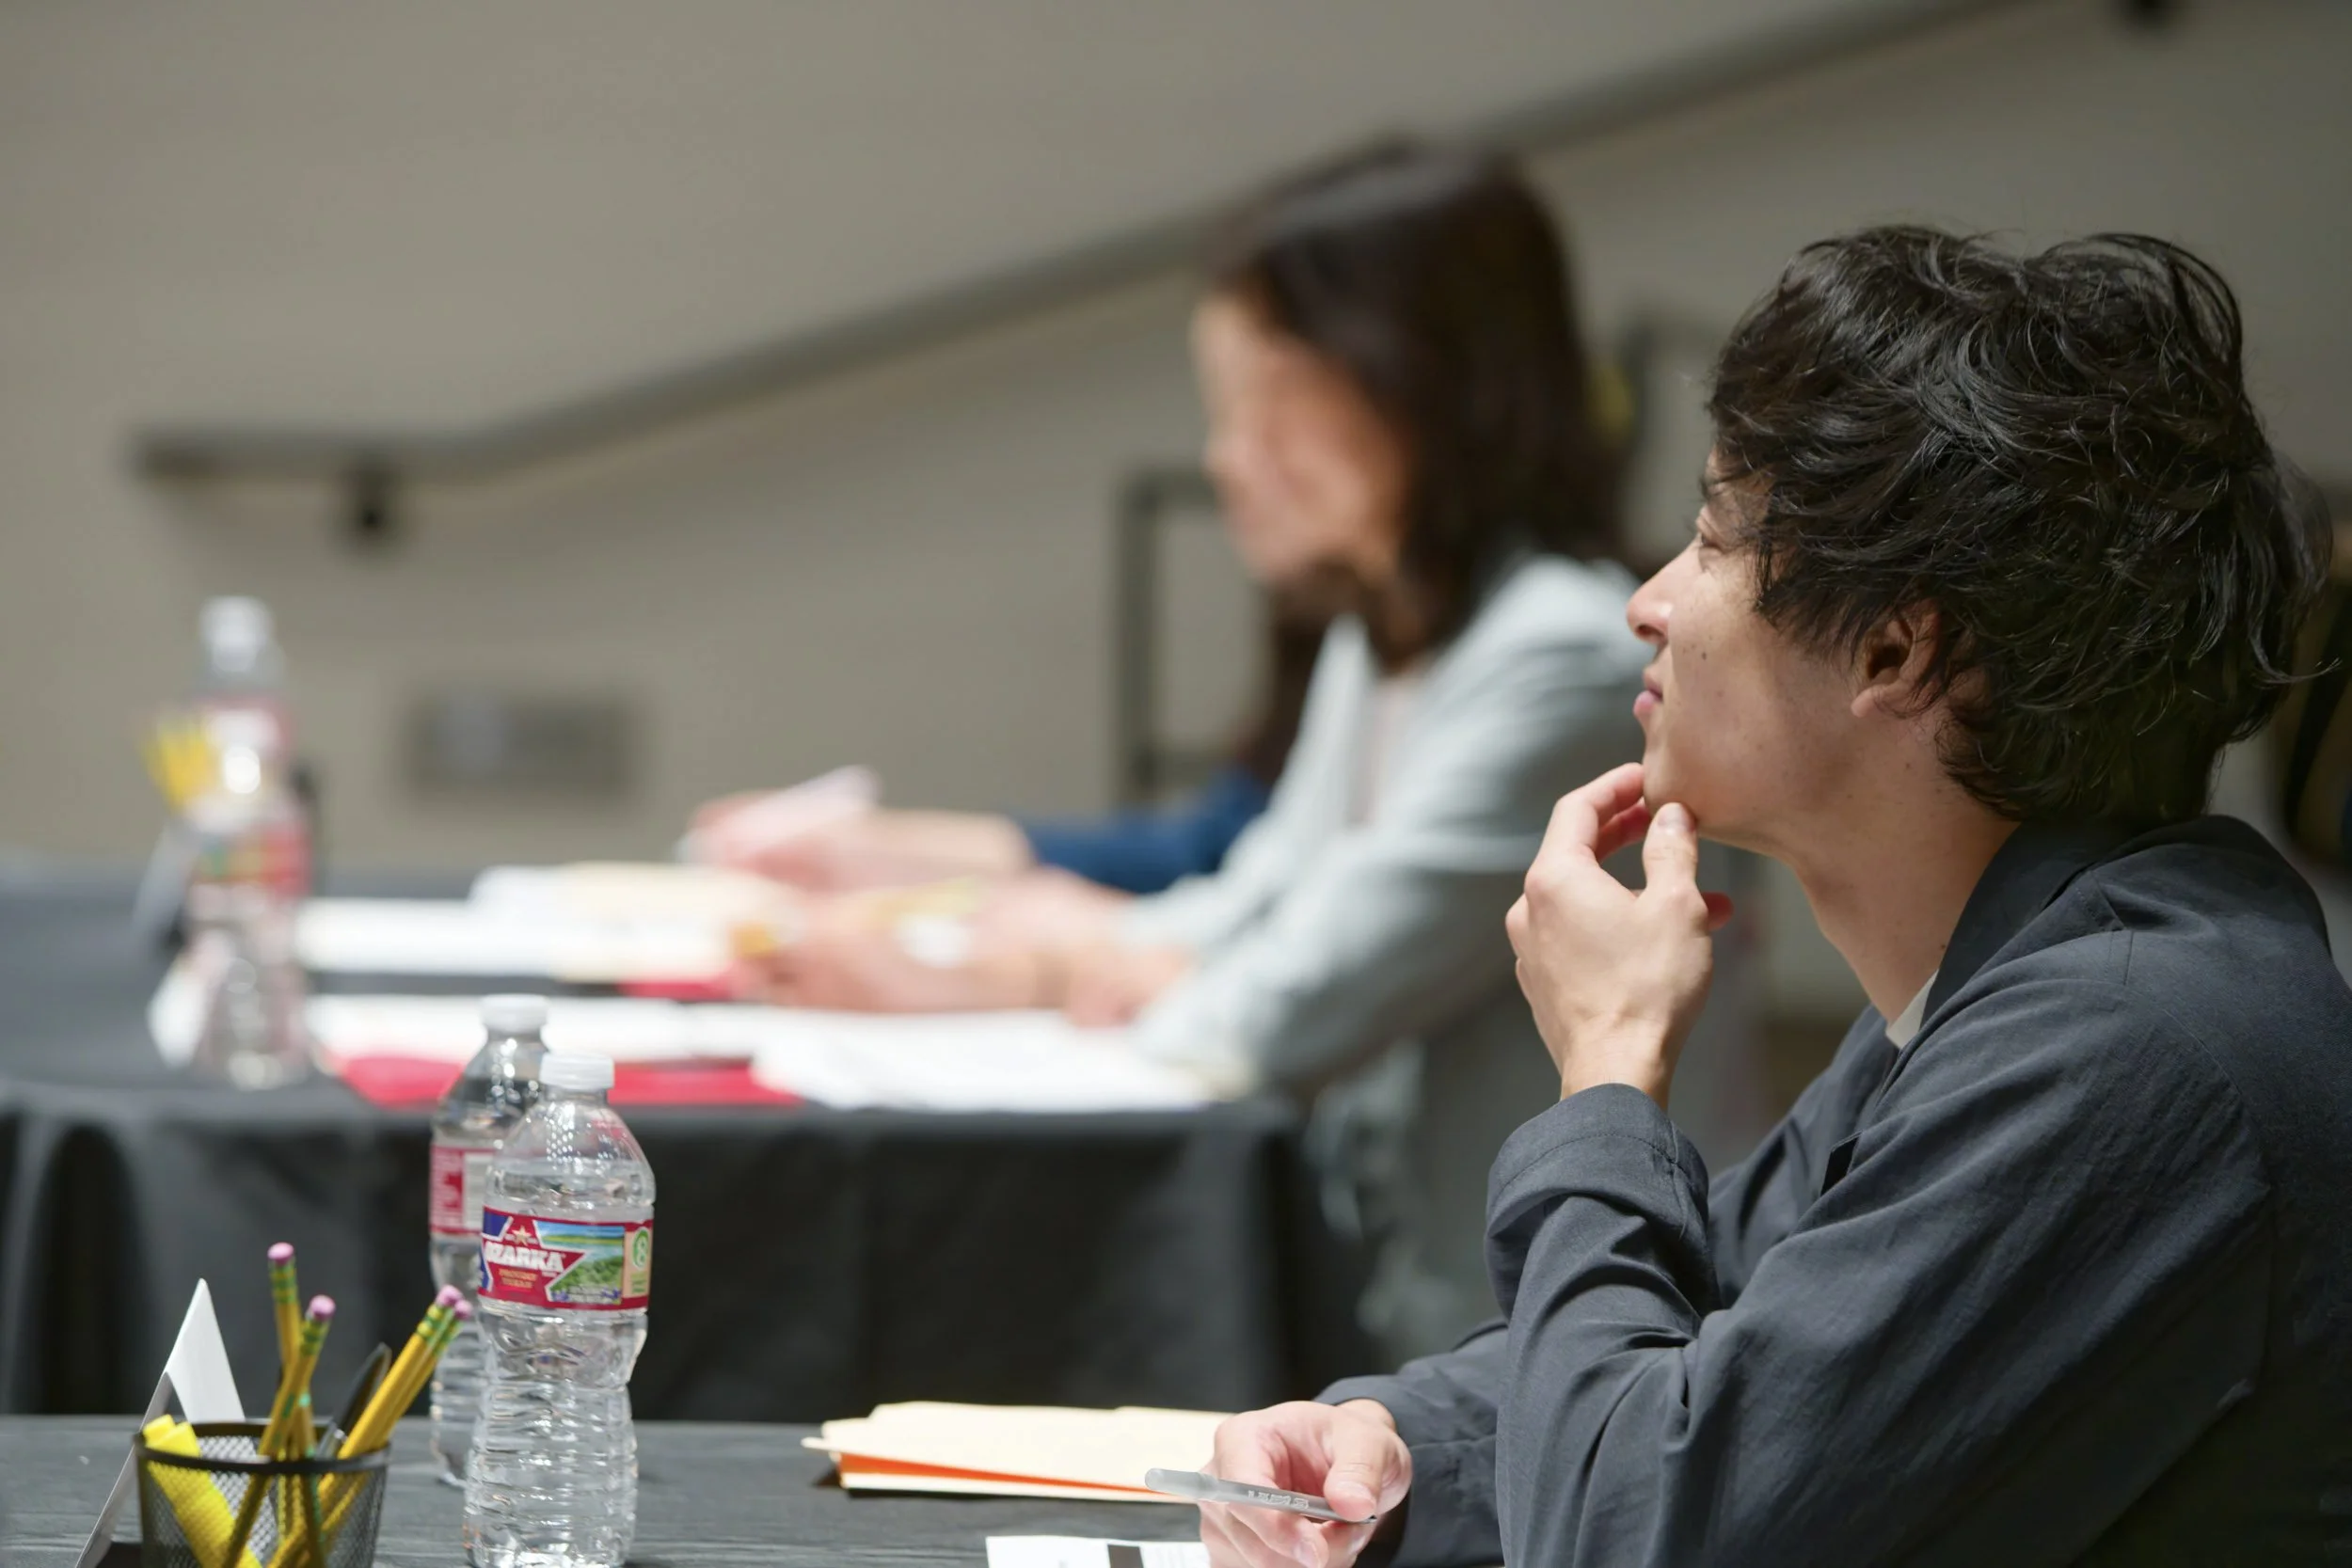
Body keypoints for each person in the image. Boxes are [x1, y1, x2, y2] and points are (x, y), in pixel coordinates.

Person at [1196, 228, 2352, 1568]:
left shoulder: (2136, 1053)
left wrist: (1611, 1072)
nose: (1649, 600)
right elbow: (1694, 1352)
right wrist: (1378, 1441)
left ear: (1894, 646)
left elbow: (1641, 1531)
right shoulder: (2024, 974)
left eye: (1710, 538)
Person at [733, 142, 1662, 1357]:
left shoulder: (1563, 653)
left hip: (1527, 1321)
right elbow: (1263, 890)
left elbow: (1298, 992)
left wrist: (1032, 971)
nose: (1231, 458)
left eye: (1272, 402)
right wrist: (1013, 948)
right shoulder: (1391, 631)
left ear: (1427, 383)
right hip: (1405, 1281)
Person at [695, 591, 1327, 896]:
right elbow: (1208, 848)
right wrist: (876, 844)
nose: (1229, 459)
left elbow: (1217, 877)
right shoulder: (1340, 642)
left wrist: (1041, 968)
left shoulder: (1371, 650)